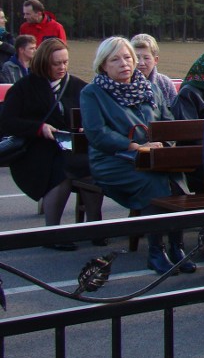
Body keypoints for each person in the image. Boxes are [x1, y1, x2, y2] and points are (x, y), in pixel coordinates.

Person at [80, 37, 195, 275]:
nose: (125, 63)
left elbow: (167, 121)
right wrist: (132, 146)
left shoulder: (148, 88)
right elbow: (97, 133)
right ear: (103, 65)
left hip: (152, 157)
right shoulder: (93, 93)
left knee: (176, 182)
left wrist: (165, 143)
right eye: (116, 59)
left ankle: (177, 247)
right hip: (113, 160)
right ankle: (156, 252)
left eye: (128, 57)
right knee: (154, 183)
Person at [0, 38, 103, 244]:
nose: (62, 67)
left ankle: (95, 227)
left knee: (91, 168)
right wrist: (39, 128)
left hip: (69, 146)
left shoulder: (77, 86)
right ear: (43, 62)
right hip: (34, 150)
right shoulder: (23, 88)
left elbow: (92, 116)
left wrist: (85, 126)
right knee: (59, 171)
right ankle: (52, 231)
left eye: (65, 62)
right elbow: (7, 122)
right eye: (56, 63)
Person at [130, 34, 178, 106]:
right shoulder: (124, 83)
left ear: (155, 60)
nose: (141, 63)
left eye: (146, 58)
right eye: (137, 58)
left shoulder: (165, 84)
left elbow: (175, 113)